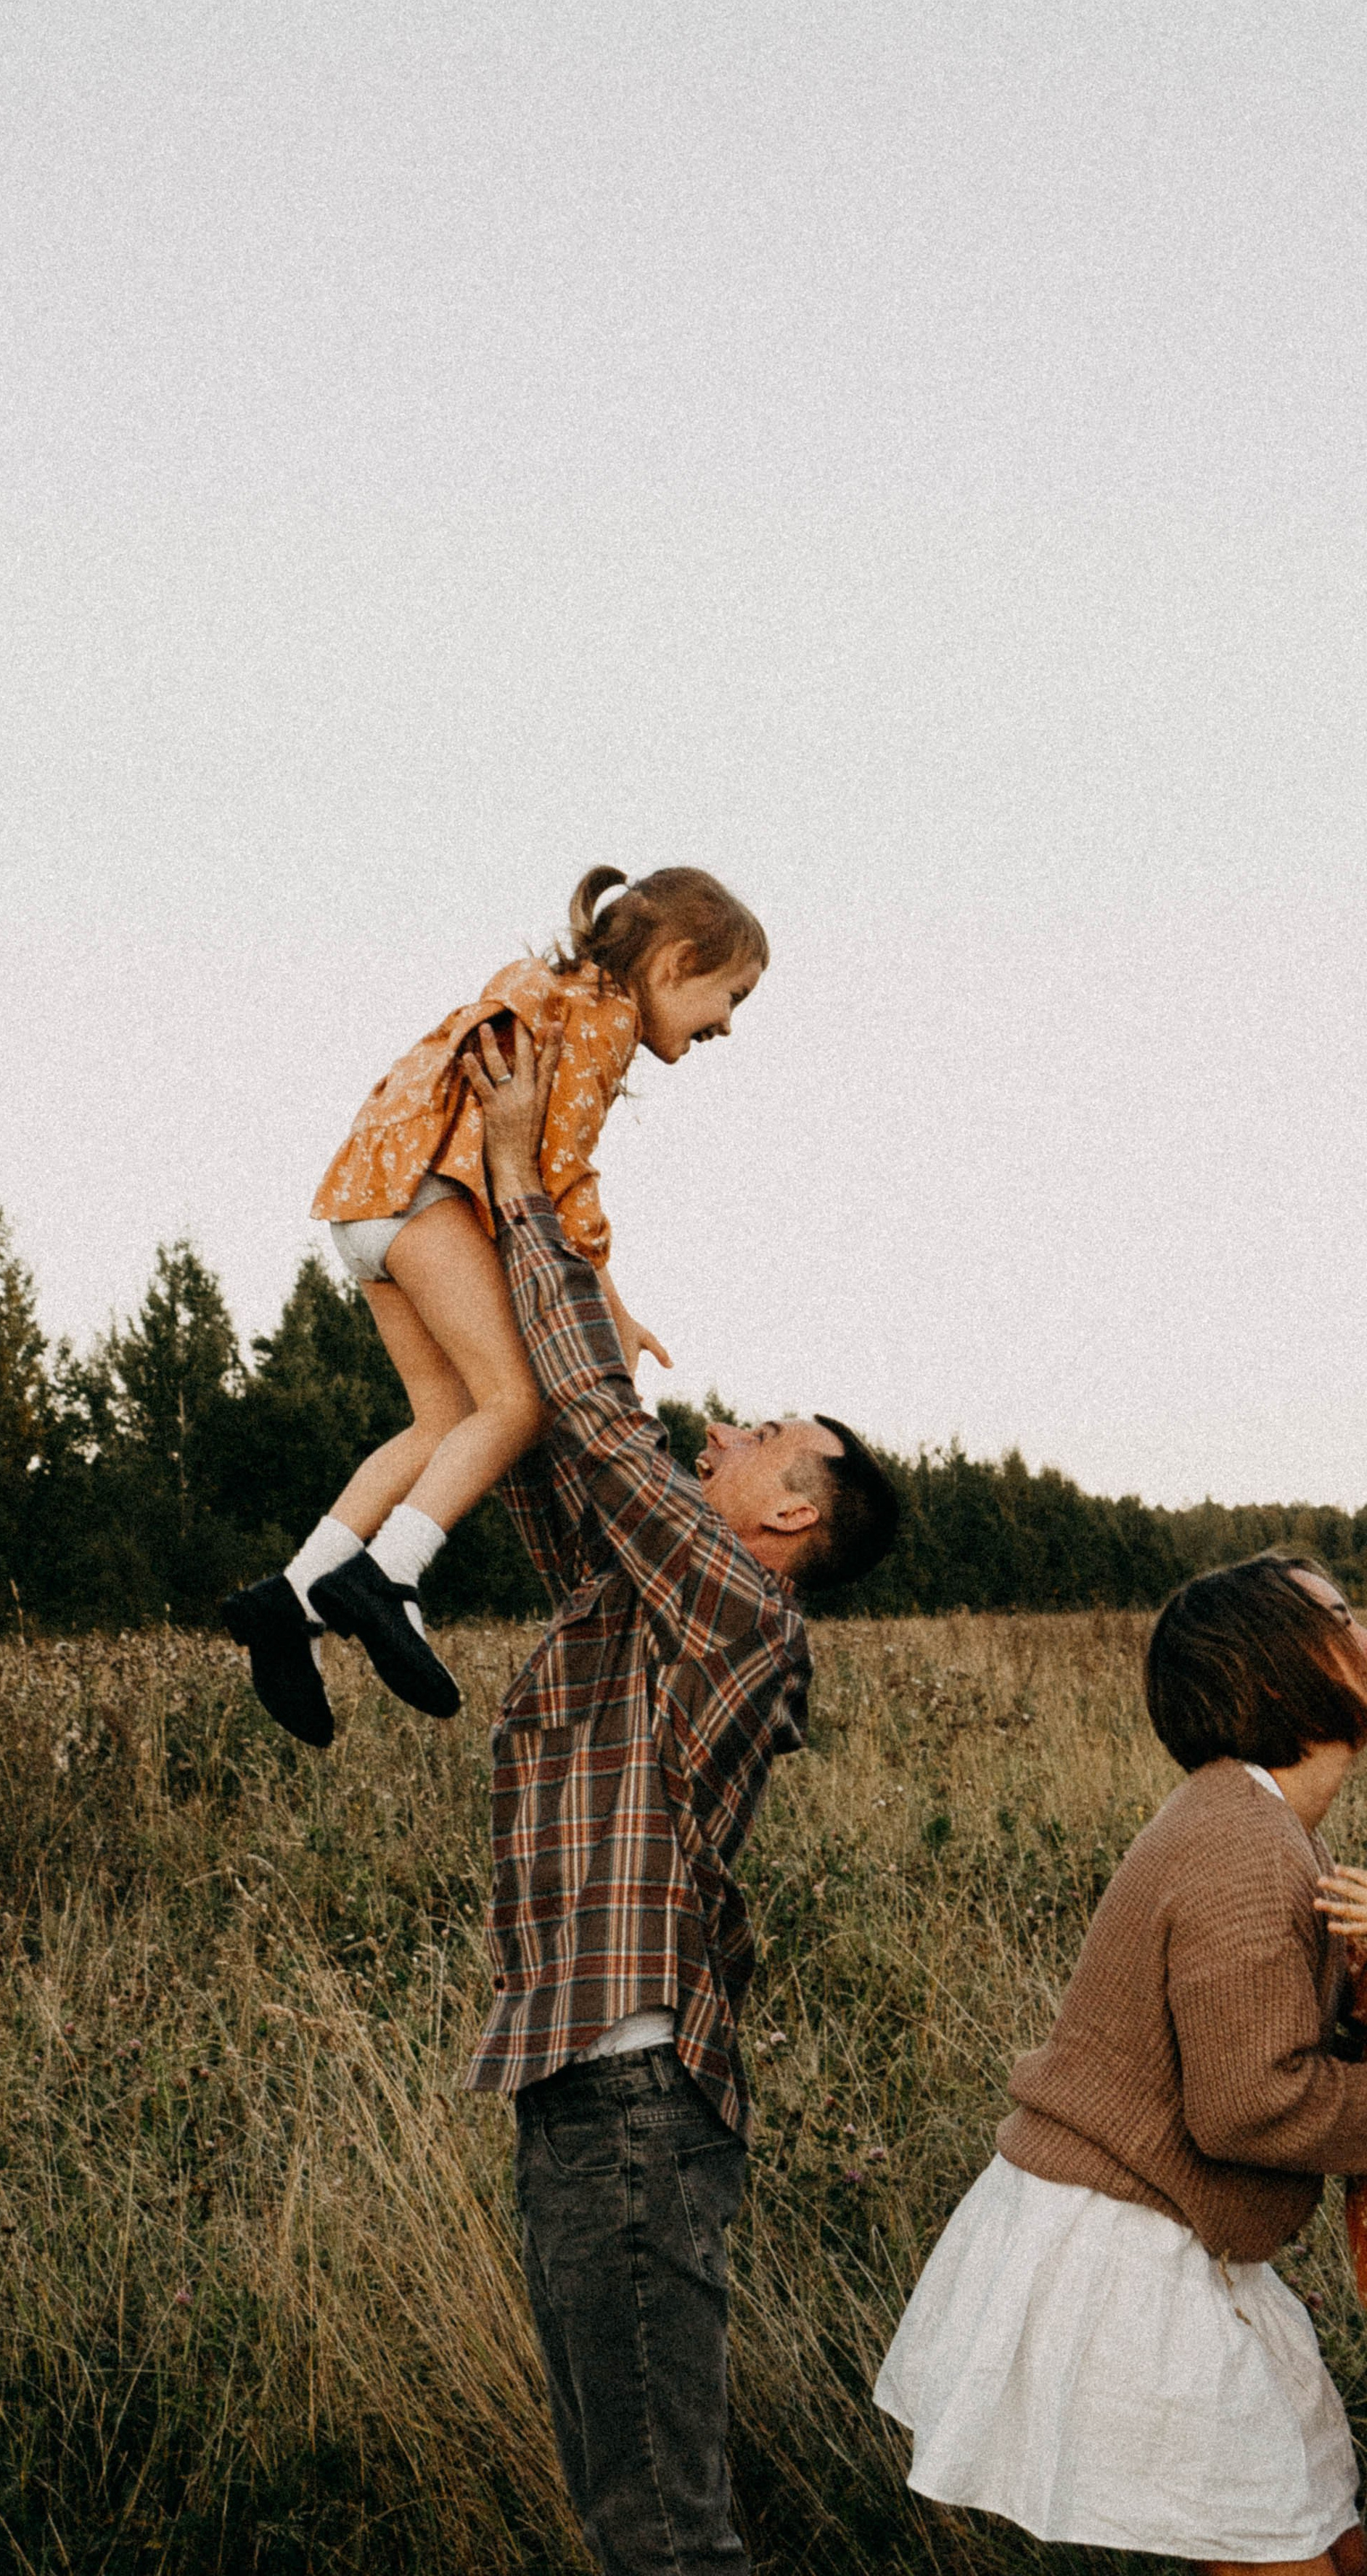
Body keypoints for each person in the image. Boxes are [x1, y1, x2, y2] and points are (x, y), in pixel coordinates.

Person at [461, 1015, 899, 2576]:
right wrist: (526, 1210)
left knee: (667, 2541)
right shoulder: (649, 1601)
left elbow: (598, 1422)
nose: (715, 1426)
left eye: (758, 1431)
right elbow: (544, 1456)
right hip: (582, 2097)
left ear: (789, 1507)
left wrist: (518, 1184)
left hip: (630, 2109)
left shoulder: (736, 1606)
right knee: (630, 2520)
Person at [875, 1553, 1367, 2576]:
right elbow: (1251, 2107)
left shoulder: (1267, 1825)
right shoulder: (1245, 1837)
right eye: (1340, 1613)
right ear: (1276, 1674)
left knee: (1328, 2541)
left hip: (1177, 2245)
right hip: (1124, 2258)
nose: (1366, 1628)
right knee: (1292, 2561)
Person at [218, 864, 769, 1747]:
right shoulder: (605, 1016)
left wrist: (609, 1295)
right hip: (425, 1195)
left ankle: (289, 1599)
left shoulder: (556, 992)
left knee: (440, 1422)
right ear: (676, 962)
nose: (730, 1025)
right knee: (517, 1402)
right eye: (730, 996)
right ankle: (388, 1577)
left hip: (365, 1195)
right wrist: (607, 1296)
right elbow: (563, 1177)